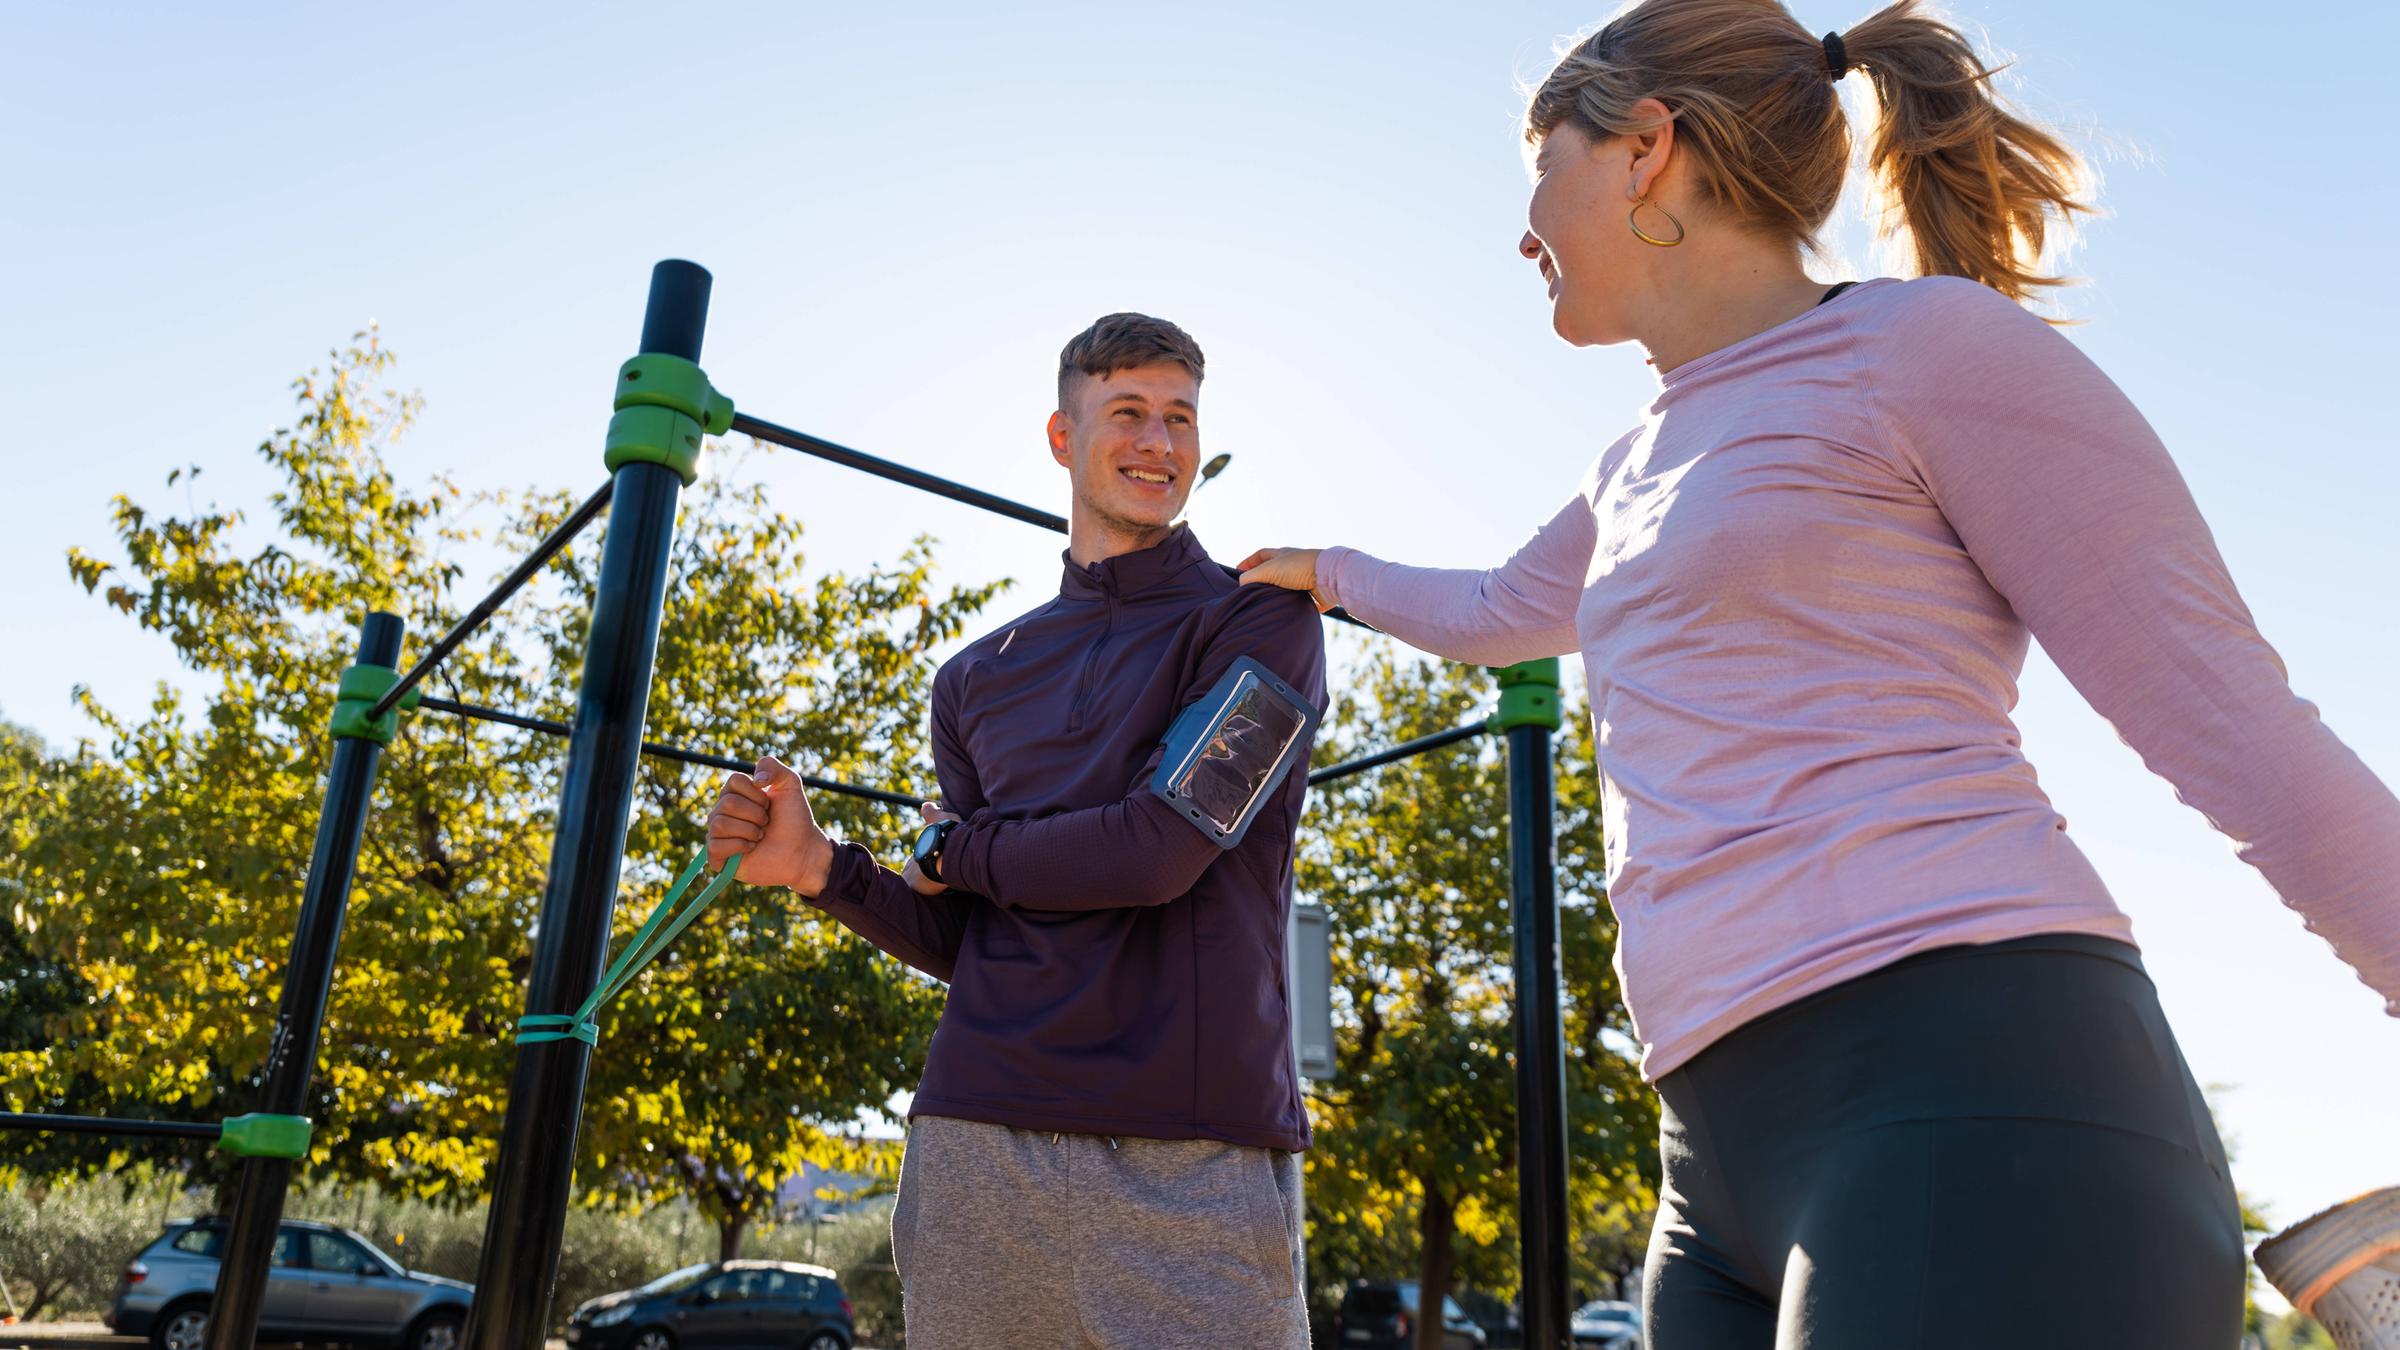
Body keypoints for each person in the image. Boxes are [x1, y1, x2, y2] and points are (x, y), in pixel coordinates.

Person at [1236, 1, 2400, 1345]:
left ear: (1642, 149)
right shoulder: (1635, 465)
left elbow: (2239, 724)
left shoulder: (1929, 352)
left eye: (1539, 157)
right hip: (1713, 1159)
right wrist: (1328, 571)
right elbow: (1501, 606)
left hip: (1973, 1084)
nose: (1522, 220)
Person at [706, 313, 1325, 1350]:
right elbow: (977, 938)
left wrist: (956, 852)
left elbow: (1158, 851)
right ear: (1061, 436)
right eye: (1126, 412)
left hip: (1196, 1161)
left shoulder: (1264, 624)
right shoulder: (974, 680)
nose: (1159, 443)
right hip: (974, 1147)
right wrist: (825, 872)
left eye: (1180, 417)